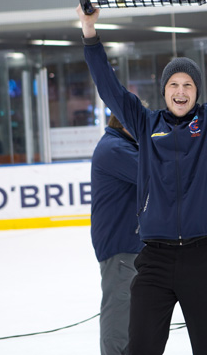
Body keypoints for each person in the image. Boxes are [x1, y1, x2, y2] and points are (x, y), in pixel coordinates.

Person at [78, 0, 207, 355]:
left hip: (205, 256)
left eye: (188, 84)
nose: (181, 90)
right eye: (174, 84)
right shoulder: (145, 124)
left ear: (197, 91)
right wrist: (90, 33)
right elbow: (109, 88)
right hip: (154, 255)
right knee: (141, 344)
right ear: (164, 90)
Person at [91, 112, 144, 355]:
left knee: (128, 308)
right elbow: (151, 175)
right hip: (119, 242)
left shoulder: (121, 144)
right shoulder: (116, 148)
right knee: (119, 309)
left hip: (125, 239)